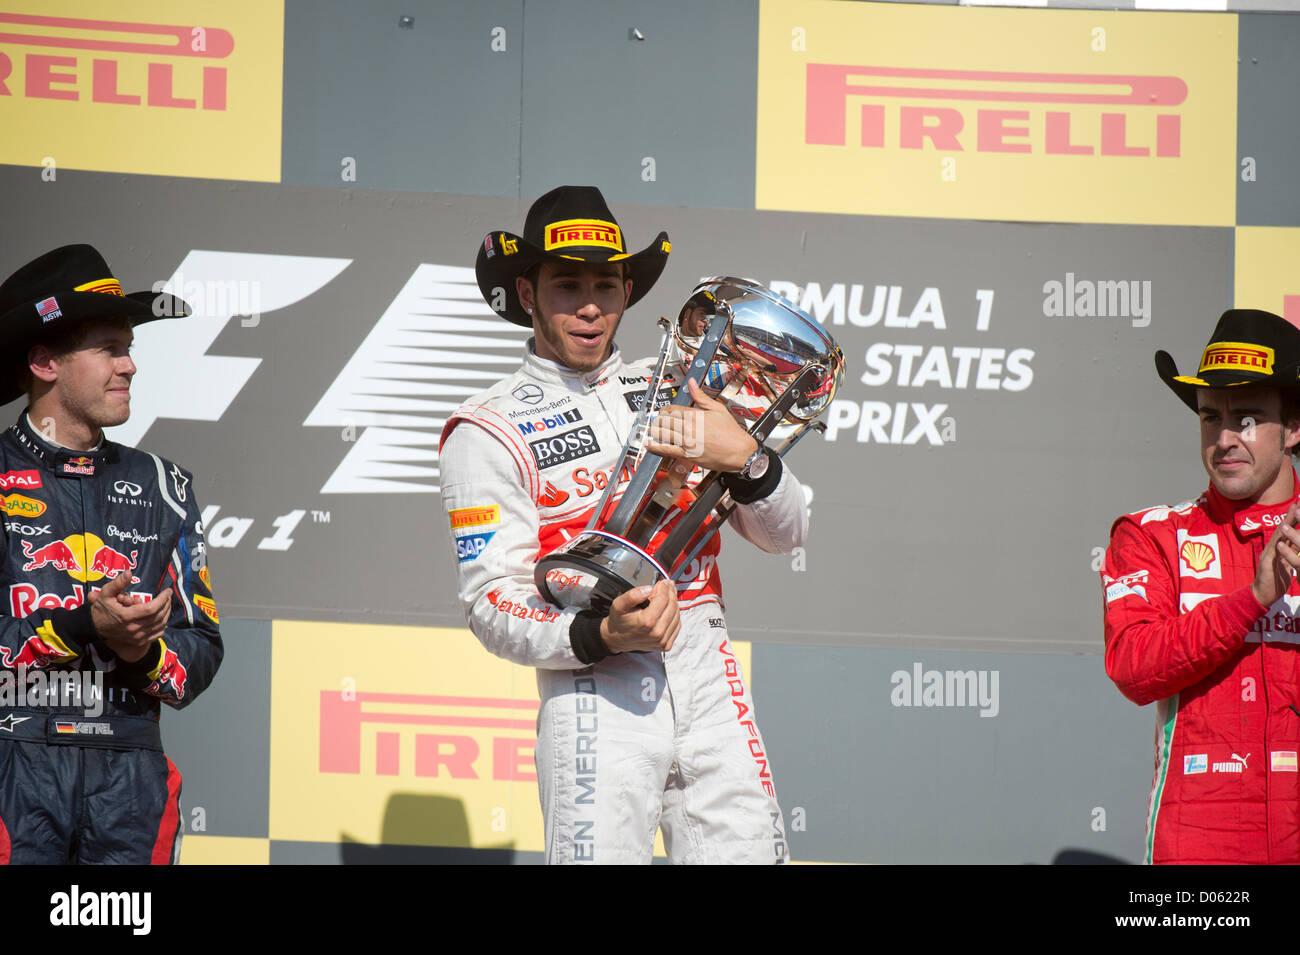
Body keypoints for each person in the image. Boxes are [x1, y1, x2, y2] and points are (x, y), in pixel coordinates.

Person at [439, 186, 806, 864]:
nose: (588, 305)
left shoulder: (681, 385)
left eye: (606, 284)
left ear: (627, 291)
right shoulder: (486, 428)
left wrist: (747, 457)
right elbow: (491, 602)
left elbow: (790, 531)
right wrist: (599, 632)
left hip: (707, 667)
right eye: (566, 284)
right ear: (527, 292)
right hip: (595, 690)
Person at [0, 244, 222, 864]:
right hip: (12, 760)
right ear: (45, 362)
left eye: (130, 349)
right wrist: (78, 625)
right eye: (108, 349)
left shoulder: (166, 487)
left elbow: (200, 651)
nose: (129, 367)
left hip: (130, 773)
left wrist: (140, 649)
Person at [1102, 308, 1300, 864]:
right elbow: (1133, 668)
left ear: (1293, 428)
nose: (1225, 439)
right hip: (1199, 853)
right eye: (1212, 417)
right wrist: (1252, 599)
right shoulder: (1152, 535)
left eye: (1249, 418)